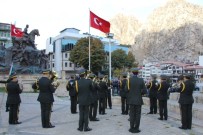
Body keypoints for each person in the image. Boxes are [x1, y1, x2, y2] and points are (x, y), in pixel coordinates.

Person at [126, 68, 146, 133]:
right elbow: (145, 91)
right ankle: (136, 128)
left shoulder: (129, 80)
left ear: (132, 73)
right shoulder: (141, 80)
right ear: (138, 73)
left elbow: (126, 90)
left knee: (132, 114)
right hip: (138, 100)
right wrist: (140, 93)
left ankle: (131, 127)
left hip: (131, 100)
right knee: (138, 114)